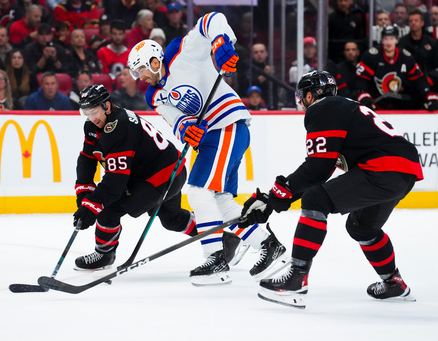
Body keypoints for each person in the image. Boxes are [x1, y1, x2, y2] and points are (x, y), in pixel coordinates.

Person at [127, 12, 289, 286]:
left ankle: (214, 257)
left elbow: (211, 19)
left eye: (141, 69)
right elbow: (173, 117)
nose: (139, 77)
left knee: (198, 191)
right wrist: (185, 128)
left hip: (226, 124)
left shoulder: (180, 52)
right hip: (215, 135)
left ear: (155, 62)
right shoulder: (153, 93)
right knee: (221, 199)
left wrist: (221, 41)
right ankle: (268, 245)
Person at [240, 70, 421, 308]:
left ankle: (296, 279)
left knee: (316, 199)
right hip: (403, 171)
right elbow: (320, 174)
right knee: (362, 228)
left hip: (382, 169)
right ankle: (394, 282)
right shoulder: (342, 107)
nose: (302, 102)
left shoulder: (322, 109)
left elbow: (317, 171)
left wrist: (277, 195)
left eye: (303, 95)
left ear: (313, 95)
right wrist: (275, 199)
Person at [72, 84, 197, 270]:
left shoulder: (118, 127)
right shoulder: (95, 125)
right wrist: (84, 194)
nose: (91, 118)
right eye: (87, 113)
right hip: (171, 170)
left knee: (108, 209)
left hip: (161, 178)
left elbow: (116, 181)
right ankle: (219, 235)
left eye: (94, 112)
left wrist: (92, 205)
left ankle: (104, 254)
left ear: (107, 106)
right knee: (172, 219)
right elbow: (88, 159)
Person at [355, 24, 438, 111]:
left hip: (399, 105)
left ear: (397, 40)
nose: (388, 43)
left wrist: (428, 95)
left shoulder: (405, 57)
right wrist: (363, 95)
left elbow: (418, 80)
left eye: (391, 39)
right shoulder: (372, 56)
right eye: (386, 39)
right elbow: (361, 79)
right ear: (382, 41)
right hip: (375, 104)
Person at [397, 9, 438, 92]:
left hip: (429, 83)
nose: (413, 23)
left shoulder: (431, 43)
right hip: (408, 85)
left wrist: (430, 79)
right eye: (411, 21)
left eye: (416, 20)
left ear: (422, 23)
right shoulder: (402, 43)